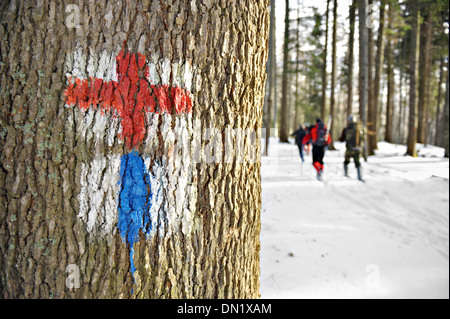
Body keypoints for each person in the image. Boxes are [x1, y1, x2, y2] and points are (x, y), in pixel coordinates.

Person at [339, 114, 365, 181]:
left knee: (346, 161)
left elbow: (341, 139)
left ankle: (346, 174)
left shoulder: (346, 129)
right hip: (358, 149)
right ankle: (360, 176)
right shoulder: (360, 128)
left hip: (349, 149)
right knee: (357, 163)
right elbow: (363, 138)